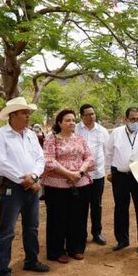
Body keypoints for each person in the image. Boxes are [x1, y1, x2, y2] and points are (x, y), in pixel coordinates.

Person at [0, 97, 49, 276]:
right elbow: (2, 164)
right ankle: (3, 271)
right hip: (12, 187)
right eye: (24, 113)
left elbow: (40, 158)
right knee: (7, 230)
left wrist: (34, 176)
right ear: (13, 115)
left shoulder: (31, 134)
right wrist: (25, 180)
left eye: (28, 113)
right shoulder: (0, 135)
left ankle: (31, 260)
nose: (28, 116)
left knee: (32, 226)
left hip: (31, 185)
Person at [42, 109, 95, 263]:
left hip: (80, 184)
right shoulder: (52, 139)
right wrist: (68, 174)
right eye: (67, 120)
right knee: (57, 219)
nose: (71, 122)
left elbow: (89, 158)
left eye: (73, 120)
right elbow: (49, 160)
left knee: (78, 218)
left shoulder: (80, 139)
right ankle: (57, 251)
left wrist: (79, 172)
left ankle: (76, 248)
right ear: (59, 123)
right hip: (57, 186)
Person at [105, 107, 138, 253]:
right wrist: (108, 171)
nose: (135, 122)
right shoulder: (116, 133)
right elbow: (108, 152)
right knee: (120, 208)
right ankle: (122, 240)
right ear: (126, 119)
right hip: (120, 174)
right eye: (132, 119)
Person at [75, 104, 109, 245]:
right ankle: (80, 234)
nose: (91, 117)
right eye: (88, 114)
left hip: (97, 174)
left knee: (97, 205)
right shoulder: (75, 129)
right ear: (81, 116)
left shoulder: (102, 131)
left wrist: (107, 171)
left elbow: (107, 151)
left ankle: (97, 233)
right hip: (79, 175)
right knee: (81, 206)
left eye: (93, 114)